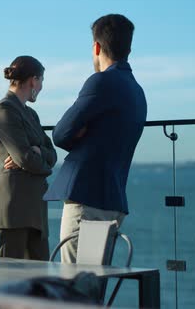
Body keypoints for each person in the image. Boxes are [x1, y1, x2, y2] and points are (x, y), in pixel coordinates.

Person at [44, 14, 147, 263]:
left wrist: (80, 133)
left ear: (97, 46)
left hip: (87, 199)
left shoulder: (101, 82)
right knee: (94, 282)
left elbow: (60, 133)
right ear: (129, 48)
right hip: (113, 198)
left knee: (75, 283)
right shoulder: (137, 90)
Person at [0, 55, 57, 260]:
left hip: (35, 213)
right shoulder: (4, 110)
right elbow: (25, 158)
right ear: (33, 80)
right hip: (12, 213)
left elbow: (51, 154)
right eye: (42, 80)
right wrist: (35, 157)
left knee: (38, 285)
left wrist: (38, 153)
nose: (42, 86)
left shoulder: (31, 114)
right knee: (6, 283)